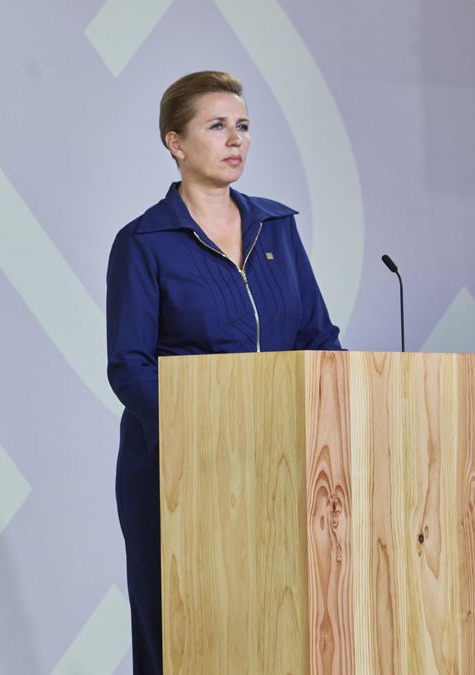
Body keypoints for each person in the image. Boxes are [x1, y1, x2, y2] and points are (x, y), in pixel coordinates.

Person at [105, 71, 342, 674]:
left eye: (242, 126)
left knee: (270, 624)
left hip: (278, 459)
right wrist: (210, 427)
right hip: (181, 467)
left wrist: (336, 412)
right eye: (216, 126)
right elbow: (129, 367)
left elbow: (318, 337)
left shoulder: (277, 230)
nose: (235, 139)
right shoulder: (144, 242)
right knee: (182, 631)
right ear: (175, 143)